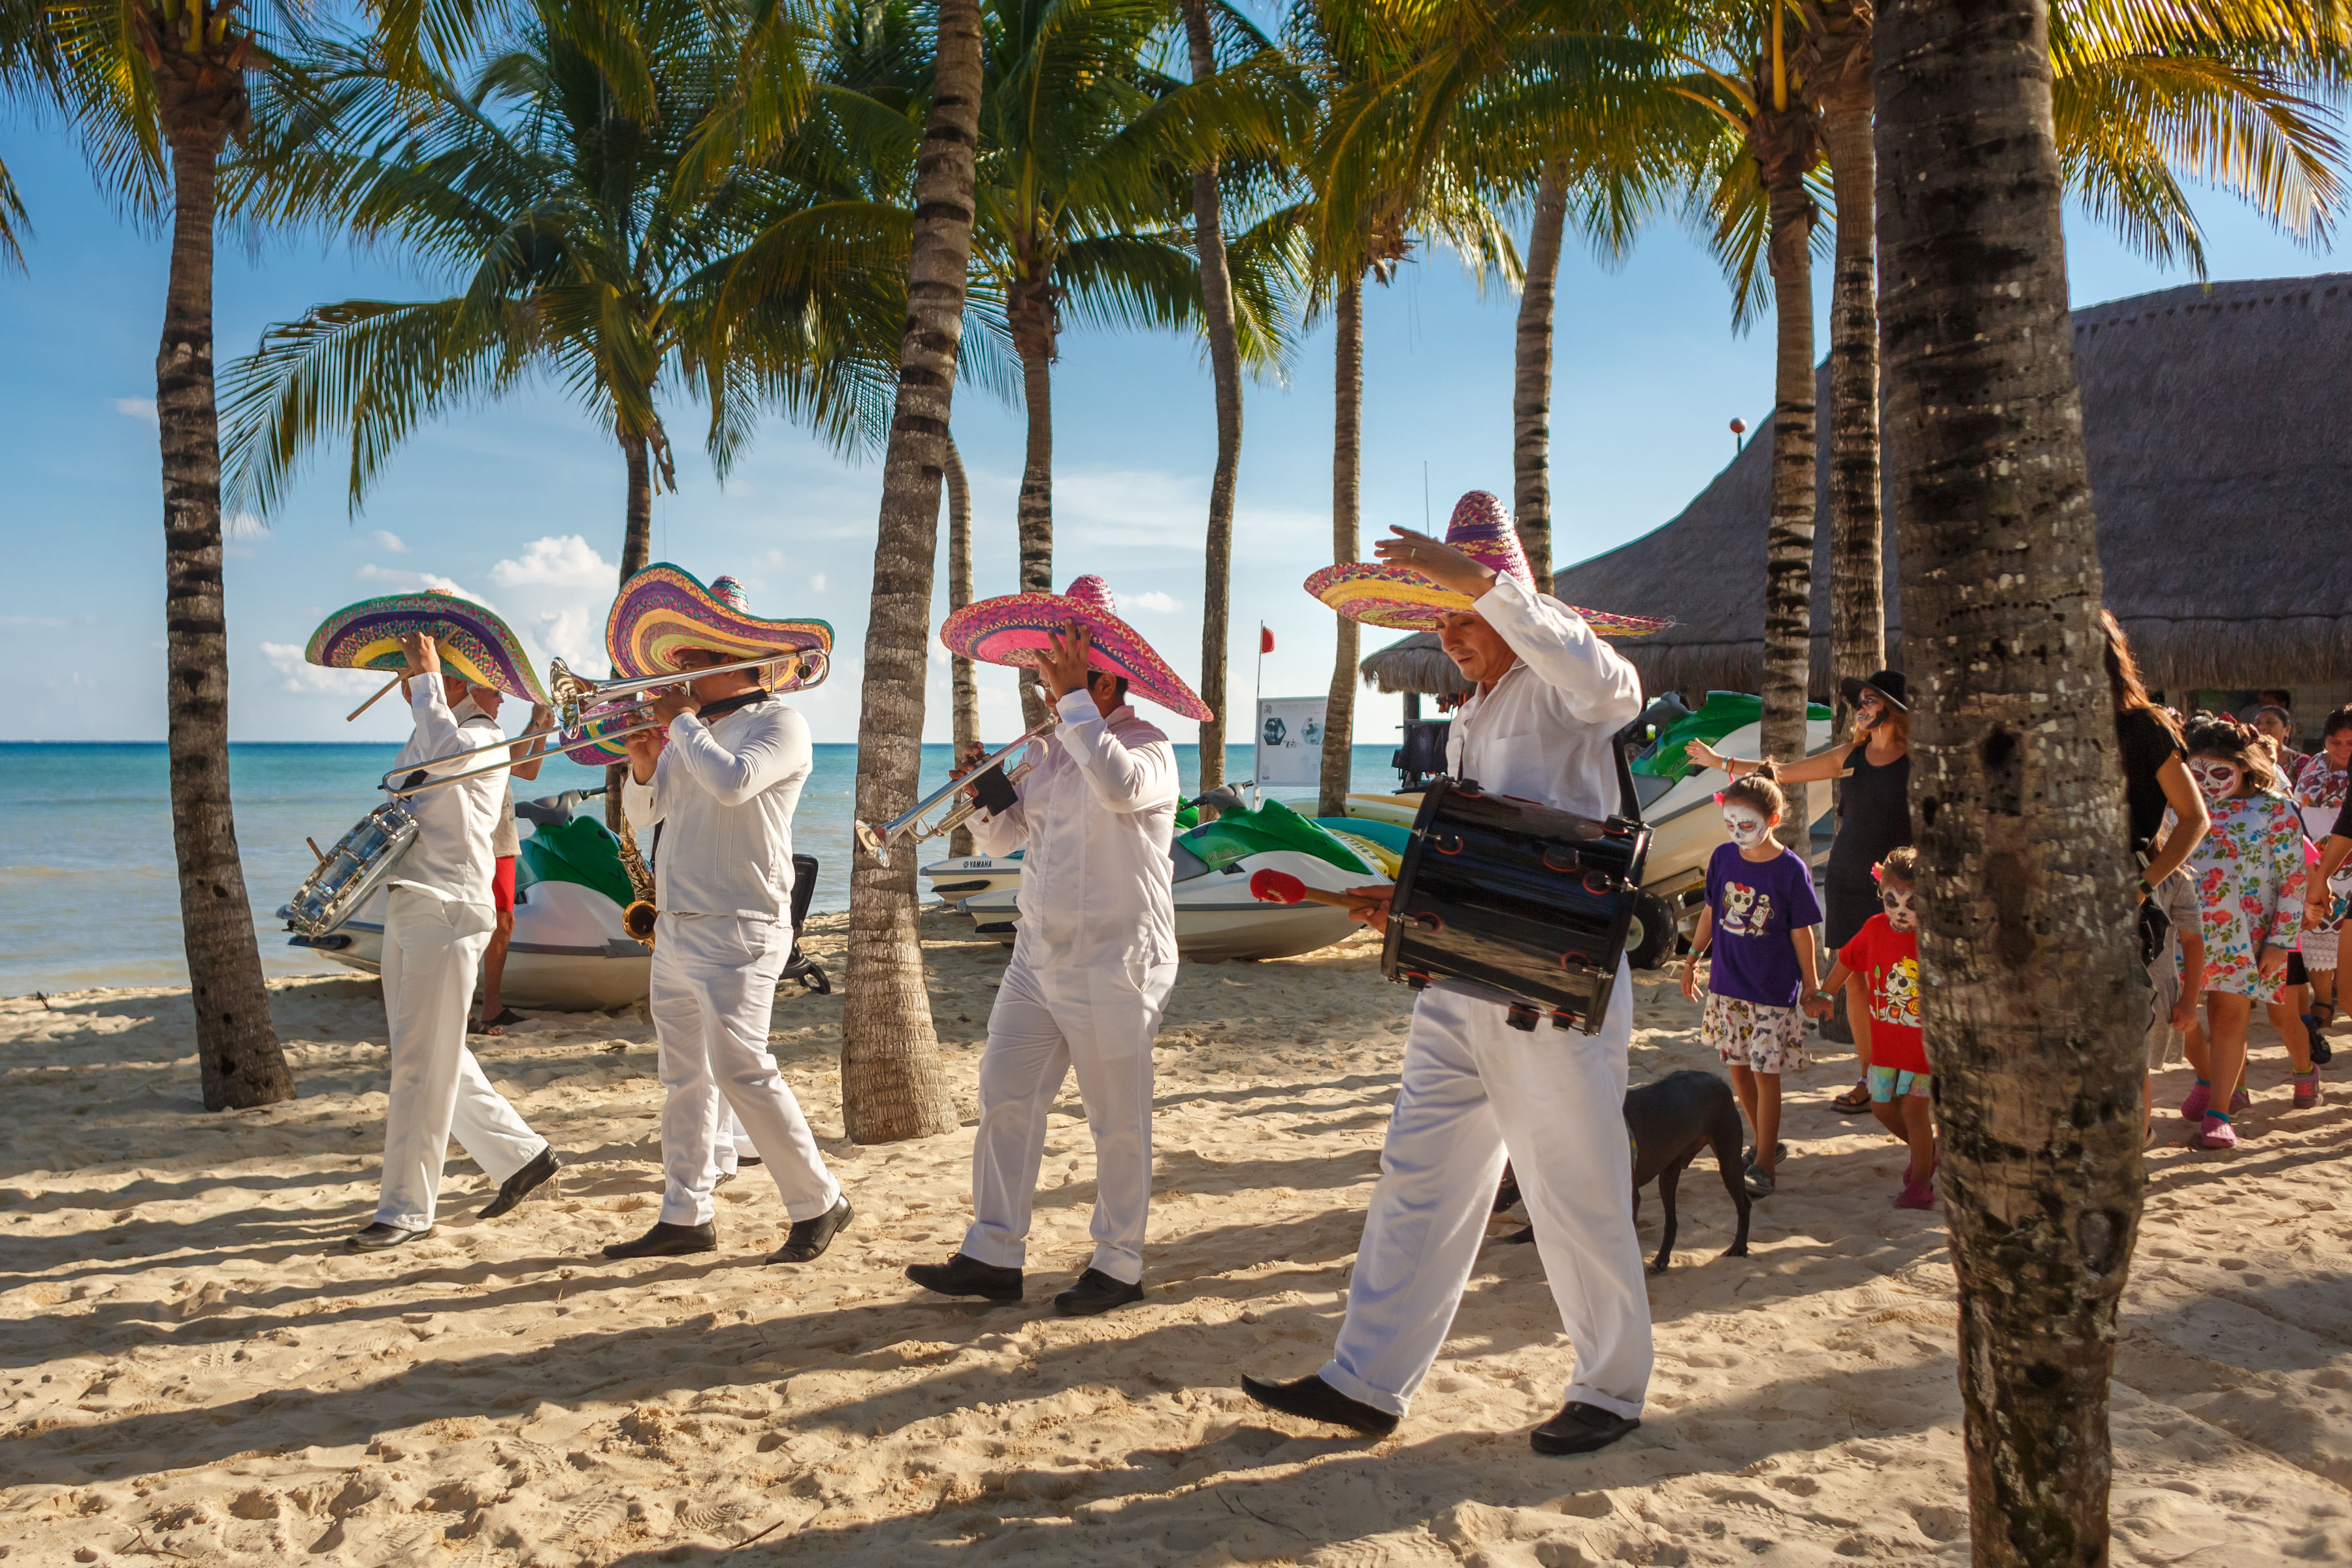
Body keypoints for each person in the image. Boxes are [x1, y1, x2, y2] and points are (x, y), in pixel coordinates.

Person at [1242, 493, 1657, 1457]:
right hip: (1456, 980)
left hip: (1548, 996)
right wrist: (1401, 903)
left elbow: (1616, 687)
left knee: (1574, 1189)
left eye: (1460, 613)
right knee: (1417, 1181)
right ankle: (1367, 1380)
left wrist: (1487, 588)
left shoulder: (1564, 688)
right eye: (1438, 616)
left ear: (1505, 599)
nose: (1447, 632)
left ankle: (1612, 1386)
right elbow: (1486, 852)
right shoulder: (1472, 714)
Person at [908, 573, 1205, 1318]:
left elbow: (1117, 785)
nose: (1045, 690)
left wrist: (1075, 706)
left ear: (1107, 679)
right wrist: (985, 803)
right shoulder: (1045, 752)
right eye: (1044, 676)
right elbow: (1010, 839)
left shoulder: (1150, 747)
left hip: (1118, 958)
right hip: (1036, 957)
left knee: (1116, 1119)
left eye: (1059, 674)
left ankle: (1119, 1263)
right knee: (1005, 1096)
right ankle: (993, 1253)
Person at [602, 572, 851, 1264]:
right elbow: (649, 820)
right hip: (680, 923)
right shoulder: (693, 735)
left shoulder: (781, 724)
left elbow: (735, 784)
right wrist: (644, 769)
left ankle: (820, 1201)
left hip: (742, 924)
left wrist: (679, 725)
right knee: (683, 1078)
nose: (677, 669)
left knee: (744, 1070)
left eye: (695, 660)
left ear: (737, 664)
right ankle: (685, 1214)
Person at [350, 630, 561, 1251]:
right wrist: (426, 688)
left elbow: (444, 753)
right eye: (490, 680)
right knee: (426, 1049)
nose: (501, 695)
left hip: (447, 910)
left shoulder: (483, 735)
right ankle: (522, 1156)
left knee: (421, 1061)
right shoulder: (444, 726)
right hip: (415, 900)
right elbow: (419, 768)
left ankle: (406, 1210)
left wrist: (425, 683)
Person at [1685, 670, 1910, 1116]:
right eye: (1860, 702)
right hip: (1848, 878)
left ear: (1895, 710)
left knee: (1901, 983)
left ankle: (1909, 1075)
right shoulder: (1853, 755)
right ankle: (1870, 1079)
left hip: (1897, 889)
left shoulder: (1917, 759)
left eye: (1870, 701)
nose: (1861, 709)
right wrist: (1721, 763)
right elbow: (1781, 774)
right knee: (1858, 986)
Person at [1681, 767, 1823, 1198]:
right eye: (1731, 824)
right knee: (1738, 1071)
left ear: (1773, 821)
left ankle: (1764, 1164)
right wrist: (1691, 958)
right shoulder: (1723, 858)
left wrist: (1812, 986)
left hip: (1771, 993)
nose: (1738, 832)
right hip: (1728, 988)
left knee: (1766, 1072)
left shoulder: (1790, 870)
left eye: (1748, 825)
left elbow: (1803, 932)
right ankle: (1766, 1142)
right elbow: (1709, 911)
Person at [2174, 713, 2313, 1147]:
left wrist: (2280, 942)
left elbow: (2294, 881)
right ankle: (2209, 1079)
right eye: (2197, 772)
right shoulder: (2178, 807)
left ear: (2245, 765)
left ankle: (2220, 1113)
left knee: (2230, 1018)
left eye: (2219, 771)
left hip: (2248, 937)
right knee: (2179, 1017)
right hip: (2183, 933)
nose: (2208, 782)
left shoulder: (2276, 809)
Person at [1806, 848, 1942, 1205]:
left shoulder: (1935, 940)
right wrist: (1824, 994)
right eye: (1891, 900)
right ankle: (1927, 1152)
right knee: (1882, 1107)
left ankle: (1921, 1183)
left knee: (1913, 1110)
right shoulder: (1874, 929)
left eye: (1912, 903)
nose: (1900, 910)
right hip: (1885, 1048)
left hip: (1921, 1049)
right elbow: (1847, 960)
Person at [473, 699, 555, 1036]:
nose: (501, 698)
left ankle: (492, 1006)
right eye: (495, 690)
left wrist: (545, 730)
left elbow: (527, 770)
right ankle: (464, 1010)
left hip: (502, 838)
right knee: (473, 923)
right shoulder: (472, 731)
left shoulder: (491, 732)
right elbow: (509, 757)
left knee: (504, 921)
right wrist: (534, 722)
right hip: (479, 839)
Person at [2291, 710, 2352, 1049]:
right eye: (2335, 742)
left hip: (2347, 862)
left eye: (2350, 743)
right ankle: (2323, 1000)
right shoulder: (2313, 766)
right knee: (2317, 933)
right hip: (2318, 863)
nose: (2343, 749)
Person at [2253, 704, 2307, 778]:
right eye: (2257, 723)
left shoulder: (2301, 762)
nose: (2262, 727)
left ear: (2287, 730)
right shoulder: (2247, 759)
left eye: (2270, 722)